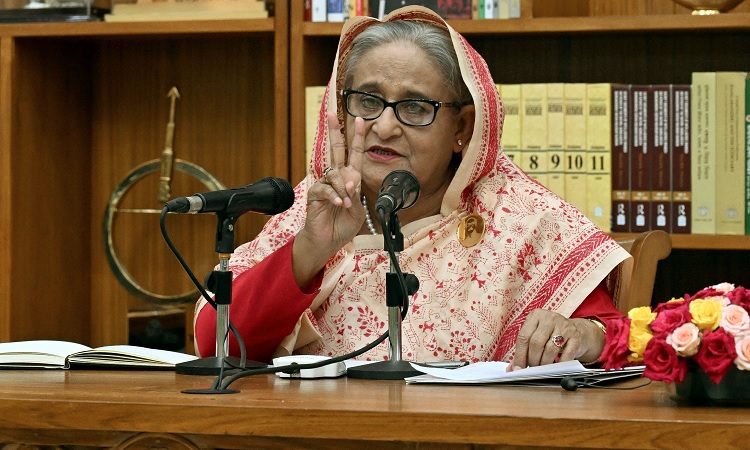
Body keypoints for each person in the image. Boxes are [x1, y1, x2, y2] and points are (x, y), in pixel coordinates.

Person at [194, 6, 630, 370]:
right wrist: (310, 250)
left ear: (462, 127)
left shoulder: (522, 218)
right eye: (367, 102)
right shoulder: (315, 205)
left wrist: (581, 335)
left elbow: (614, 337)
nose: (384, 126)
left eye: (414, 107)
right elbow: (215, 344)